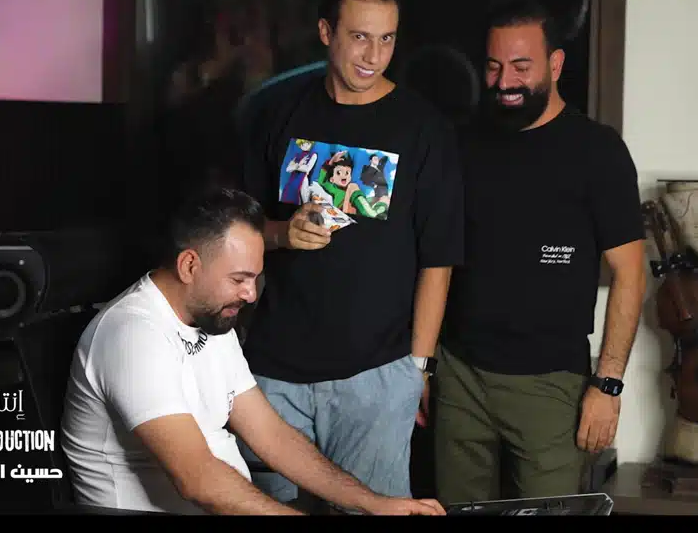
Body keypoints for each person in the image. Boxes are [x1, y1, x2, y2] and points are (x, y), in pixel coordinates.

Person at [60, 187, 446, 516]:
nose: (249, 293)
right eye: (239, 279)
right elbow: (198, 479)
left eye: (255, 278)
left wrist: (373, 503)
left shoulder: (212, 318)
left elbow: (272, 435)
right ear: (189, 265)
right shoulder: (132, 335)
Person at [237, 0, 465, 507]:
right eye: (360, 37)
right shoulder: (277, 112)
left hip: (375, 376)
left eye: (387, 39)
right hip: (274, 371)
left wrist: (417, 368)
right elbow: (240, 229)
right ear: (326, 32)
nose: (374, 56)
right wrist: (281, 233)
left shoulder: (423, 128)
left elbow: (438, 259)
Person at [433, 0, 647, 503]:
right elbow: (435, 259)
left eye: (521, 67)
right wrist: (424, 366)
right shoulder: (463, 143)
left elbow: (631, 274)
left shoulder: (598, 151)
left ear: (555, 64)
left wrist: (608, 385)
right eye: (494, 66)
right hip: (459, 376)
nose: (505, 81)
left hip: (552, 385)